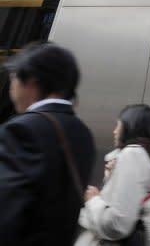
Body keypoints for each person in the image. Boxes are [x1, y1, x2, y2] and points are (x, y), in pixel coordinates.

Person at [0, 42, 96, 245]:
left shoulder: (22, 129)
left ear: (32, 83)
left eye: (13, 81)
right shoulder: (82, 133)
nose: (11, 90)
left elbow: (6, 209)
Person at [75, 104, 150, 246]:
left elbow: (116, 225)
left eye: (118, 126)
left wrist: (93, 200)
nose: (114, 131)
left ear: (130, 127)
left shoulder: (133, 154)